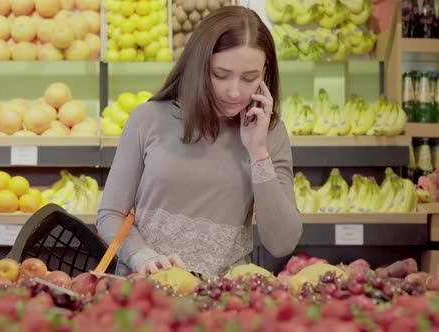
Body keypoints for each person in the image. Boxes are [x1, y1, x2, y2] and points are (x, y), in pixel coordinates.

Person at [97, 6, 303, 277]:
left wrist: (258, 152)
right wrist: (142, 257)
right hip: (146, 291)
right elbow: (110, 214)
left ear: (266, 71)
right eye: (220, 75)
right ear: (198, 65)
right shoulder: (148, 118)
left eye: (250, 78)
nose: (234, 91)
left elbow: (282, 243)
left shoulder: (269, 133)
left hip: (222, 298)